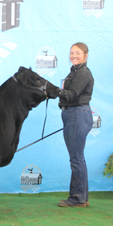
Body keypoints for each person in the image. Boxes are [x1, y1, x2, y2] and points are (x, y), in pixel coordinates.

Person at [57, 42, 94, 208]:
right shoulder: (75, 72)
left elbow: (72, 94)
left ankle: (78, 198)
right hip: (75, 114)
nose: (74, 55)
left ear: (85, 55)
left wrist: (53, 91)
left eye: (78, 53)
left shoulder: (83, 73)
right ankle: (80, 197)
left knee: (76, 158)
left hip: (77, 114)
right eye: (72, 52)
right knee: (78, 157)